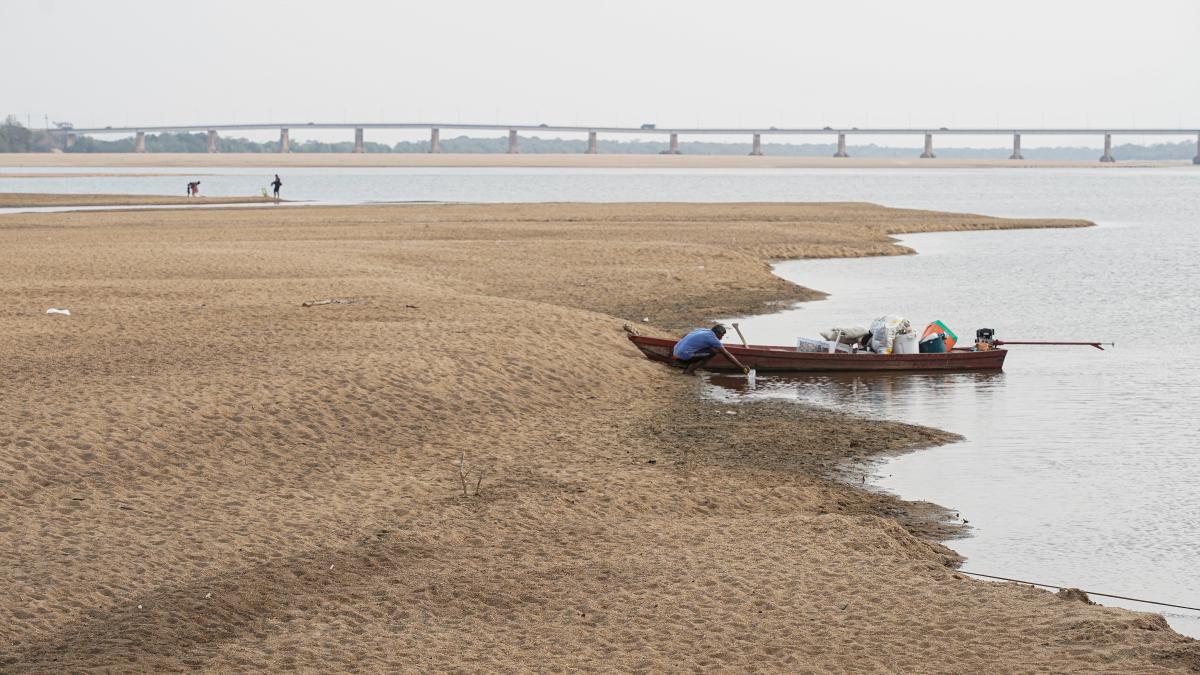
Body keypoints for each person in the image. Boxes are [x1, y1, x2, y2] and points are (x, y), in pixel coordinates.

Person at [672, 324, 749, 375]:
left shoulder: (702, 330)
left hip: (674, 352)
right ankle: (689, 371)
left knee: (708, 348)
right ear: (718, 333)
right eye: (722, 335)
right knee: (713, 352)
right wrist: (741, 367)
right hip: (682, 357)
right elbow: (727, 355)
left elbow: (685, 335)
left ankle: (688, 365)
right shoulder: (713, 339)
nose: (721, 338)